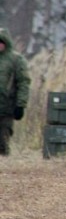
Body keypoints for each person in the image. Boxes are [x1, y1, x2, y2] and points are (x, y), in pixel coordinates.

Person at [0, 28, 30, 156]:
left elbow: (23, 83)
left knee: (3, 138)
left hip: (7, 107)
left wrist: (20, 105)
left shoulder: (16, 60)